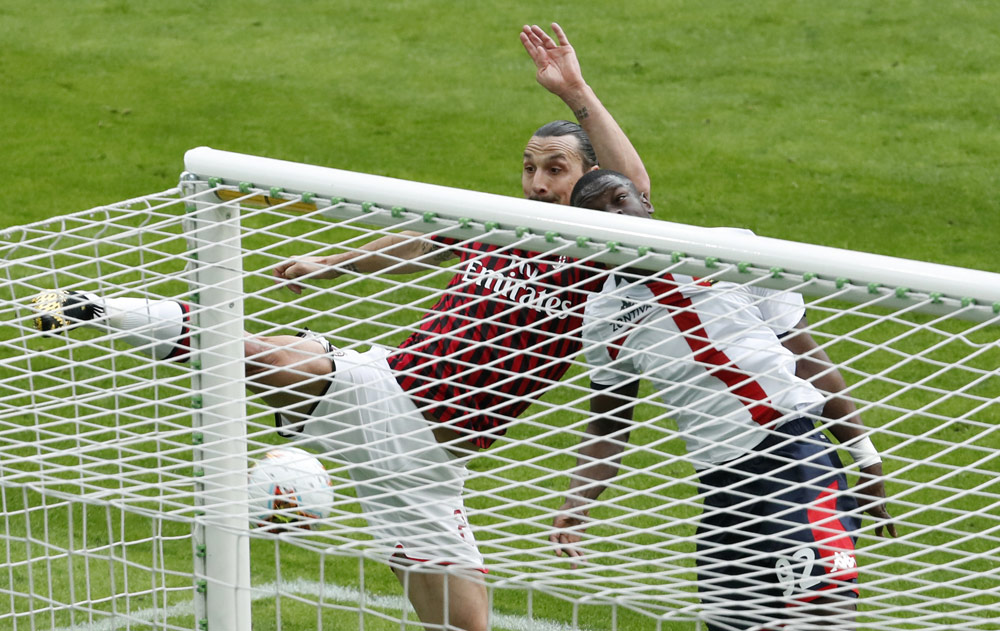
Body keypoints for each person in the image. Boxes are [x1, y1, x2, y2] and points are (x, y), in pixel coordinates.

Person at [30, 24, 650, 631]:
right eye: (528, 167)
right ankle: (95, 307)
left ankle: (281, 348)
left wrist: (575, 94)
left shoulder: (599, 251)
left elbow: (638, 190)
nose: (538, 184)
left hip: (434, 464)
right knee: (267, 361)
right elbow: (413, 244)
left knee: (466, 624)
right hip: (389, 390)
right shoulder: (498, 222)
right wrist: (330, 263)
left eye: (556, 169)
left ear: (591, 179)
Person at [550, 169, 897, 630]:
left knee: (823, 618)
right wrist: (577, 503)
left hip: (793, 456)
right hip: (720, 491)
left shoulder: (732, 250)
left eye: (620, 200)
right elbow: (608, 425)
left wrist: (866, 458)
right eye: (598, 216)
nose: (616, 216)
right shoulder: (602, 317)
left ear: (645, 203)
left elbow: (808, 359)